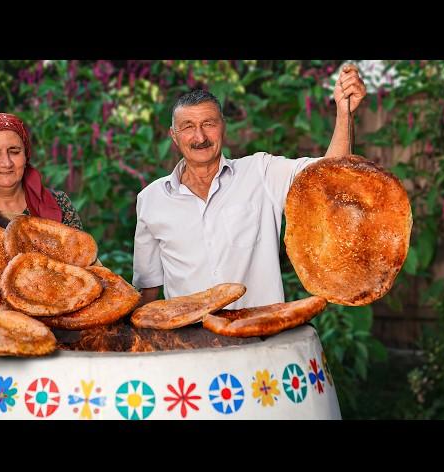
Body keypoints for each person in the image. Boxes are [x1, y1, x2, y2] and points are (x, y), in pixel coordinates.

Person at [132, 65, 367, 309]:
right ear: (174, 135)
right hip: (190, 344)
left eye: (209, 124)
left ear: (223, 127)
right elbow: (148, 289)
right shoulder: (151, 199)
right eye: (188, 127)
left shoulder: (261, 172)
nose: (200, 137)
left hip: (260, 339)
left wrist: (344, 113)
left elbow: (329, 176)